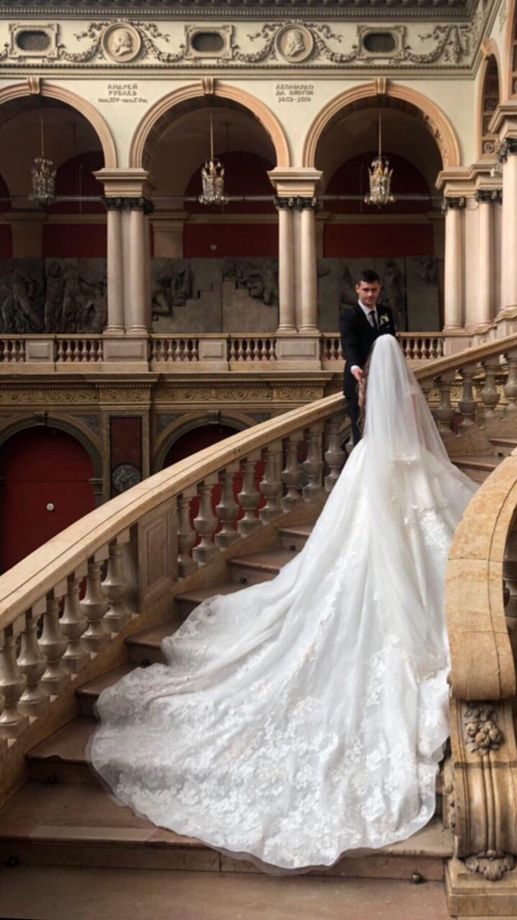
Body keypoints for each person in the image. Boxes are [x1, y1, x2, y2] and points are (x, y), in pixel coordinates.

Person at [90, 335, 477, 871]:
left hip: (373, 474)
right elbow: (416, 442)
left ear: (372, 369)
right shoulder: (411, 399)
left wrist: (363, 394)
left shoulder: (368, 399)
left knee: (342, 560)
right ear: (403, 367)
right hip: (405, 476)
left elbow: (371, 432)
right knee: (418, 543)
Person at [339, 268, 396, 445]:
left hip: (384, 382)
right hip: (359, 383)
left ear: (379, 289)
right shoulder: (349, 316)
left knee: (385, 433)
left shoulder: (386, 313)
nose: (370, 294)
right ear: (357, 288)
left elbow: (391, 342)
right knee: (362, 434)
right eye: (366, 290)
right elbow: (349, 343)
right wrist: (355, 367)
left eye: (374, 290)